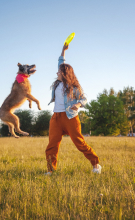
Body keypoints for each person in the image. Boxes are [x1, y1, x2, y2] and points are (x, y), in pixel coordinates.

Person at [45, 44, 101, 175]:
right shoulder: (58, 84)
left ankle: (96, 164)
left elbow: (83, 99)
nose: (56, 72)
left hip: (70, 117)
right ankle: (51, 170)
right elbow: (60, 62)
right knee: (52, 145)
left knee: (79, 143)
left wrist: (79, 105)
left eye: (59, 71)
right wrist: (63, 51)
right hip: (56, 118)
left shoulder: (74, 87)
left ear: (64, 73)